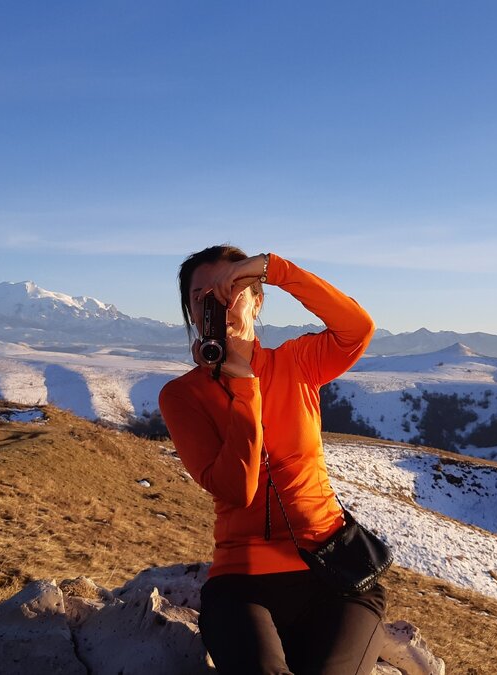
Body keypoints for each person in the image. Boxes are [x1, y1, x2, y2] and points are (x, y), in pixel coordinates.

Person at [158, 245, 386, 675]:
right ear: (190, 313)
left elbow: (357, 328)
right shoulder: (182, 396)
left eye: (230, 290)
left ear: (257, 300)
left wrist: (272, 268)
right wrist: (243, 388)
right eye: (199, 297)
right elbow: (236, 489)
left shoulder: (298, 363)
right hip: (242, 583)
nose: (215, 304)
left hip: (335, 574)